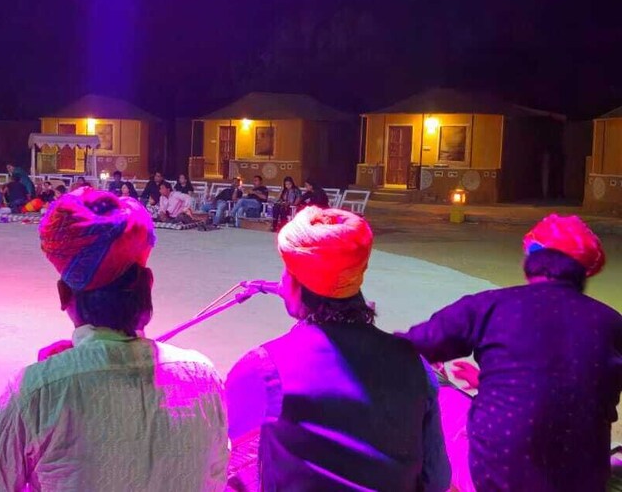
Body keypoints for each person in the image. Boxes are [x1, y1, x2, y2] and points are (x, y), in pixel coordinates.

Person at [0, 188, 229, 491]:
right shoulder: (202, 376)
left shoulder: (34, 393)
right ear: (148, 284)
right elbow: (216, 478)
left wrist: (7, 422)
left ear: (64, 295)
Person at [225, 206, 450, 491]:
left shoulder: (266, 367)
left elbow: (216, 457)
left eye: (287, 272)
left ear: (295, 284)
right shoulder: (415, 364)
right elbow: (437, 479)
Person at [399, 214, 621, 492]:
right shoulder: (612, 322)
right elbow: (566, 379)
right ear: (582, 272)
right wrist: (488, 381)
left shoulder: (491, 306)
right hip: (583, 481)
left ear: (532, 258)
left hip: (497, 478)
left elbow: (409, 346)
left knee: (441, 395)